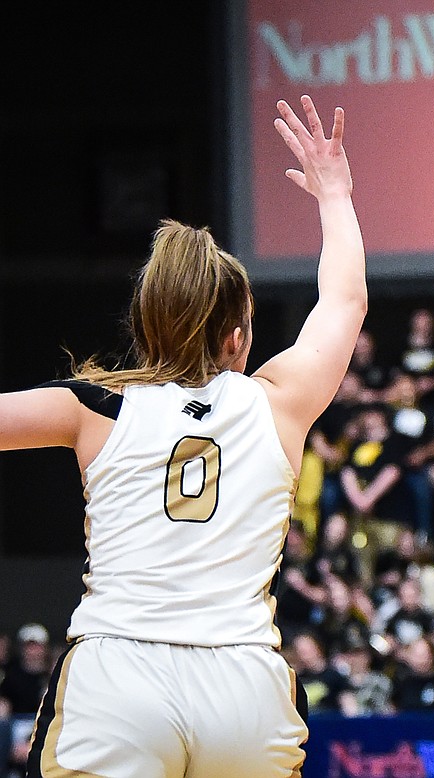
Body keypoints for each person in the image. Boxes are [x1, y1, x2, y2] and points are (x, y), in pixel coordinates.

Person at [0, 95, 366, 776]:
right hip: (245, 687)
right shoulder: (279, 403)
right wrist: (334, 193)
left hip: (119, 675)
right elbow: (344, 300)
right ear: (238, 338)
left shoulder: (94, 407)